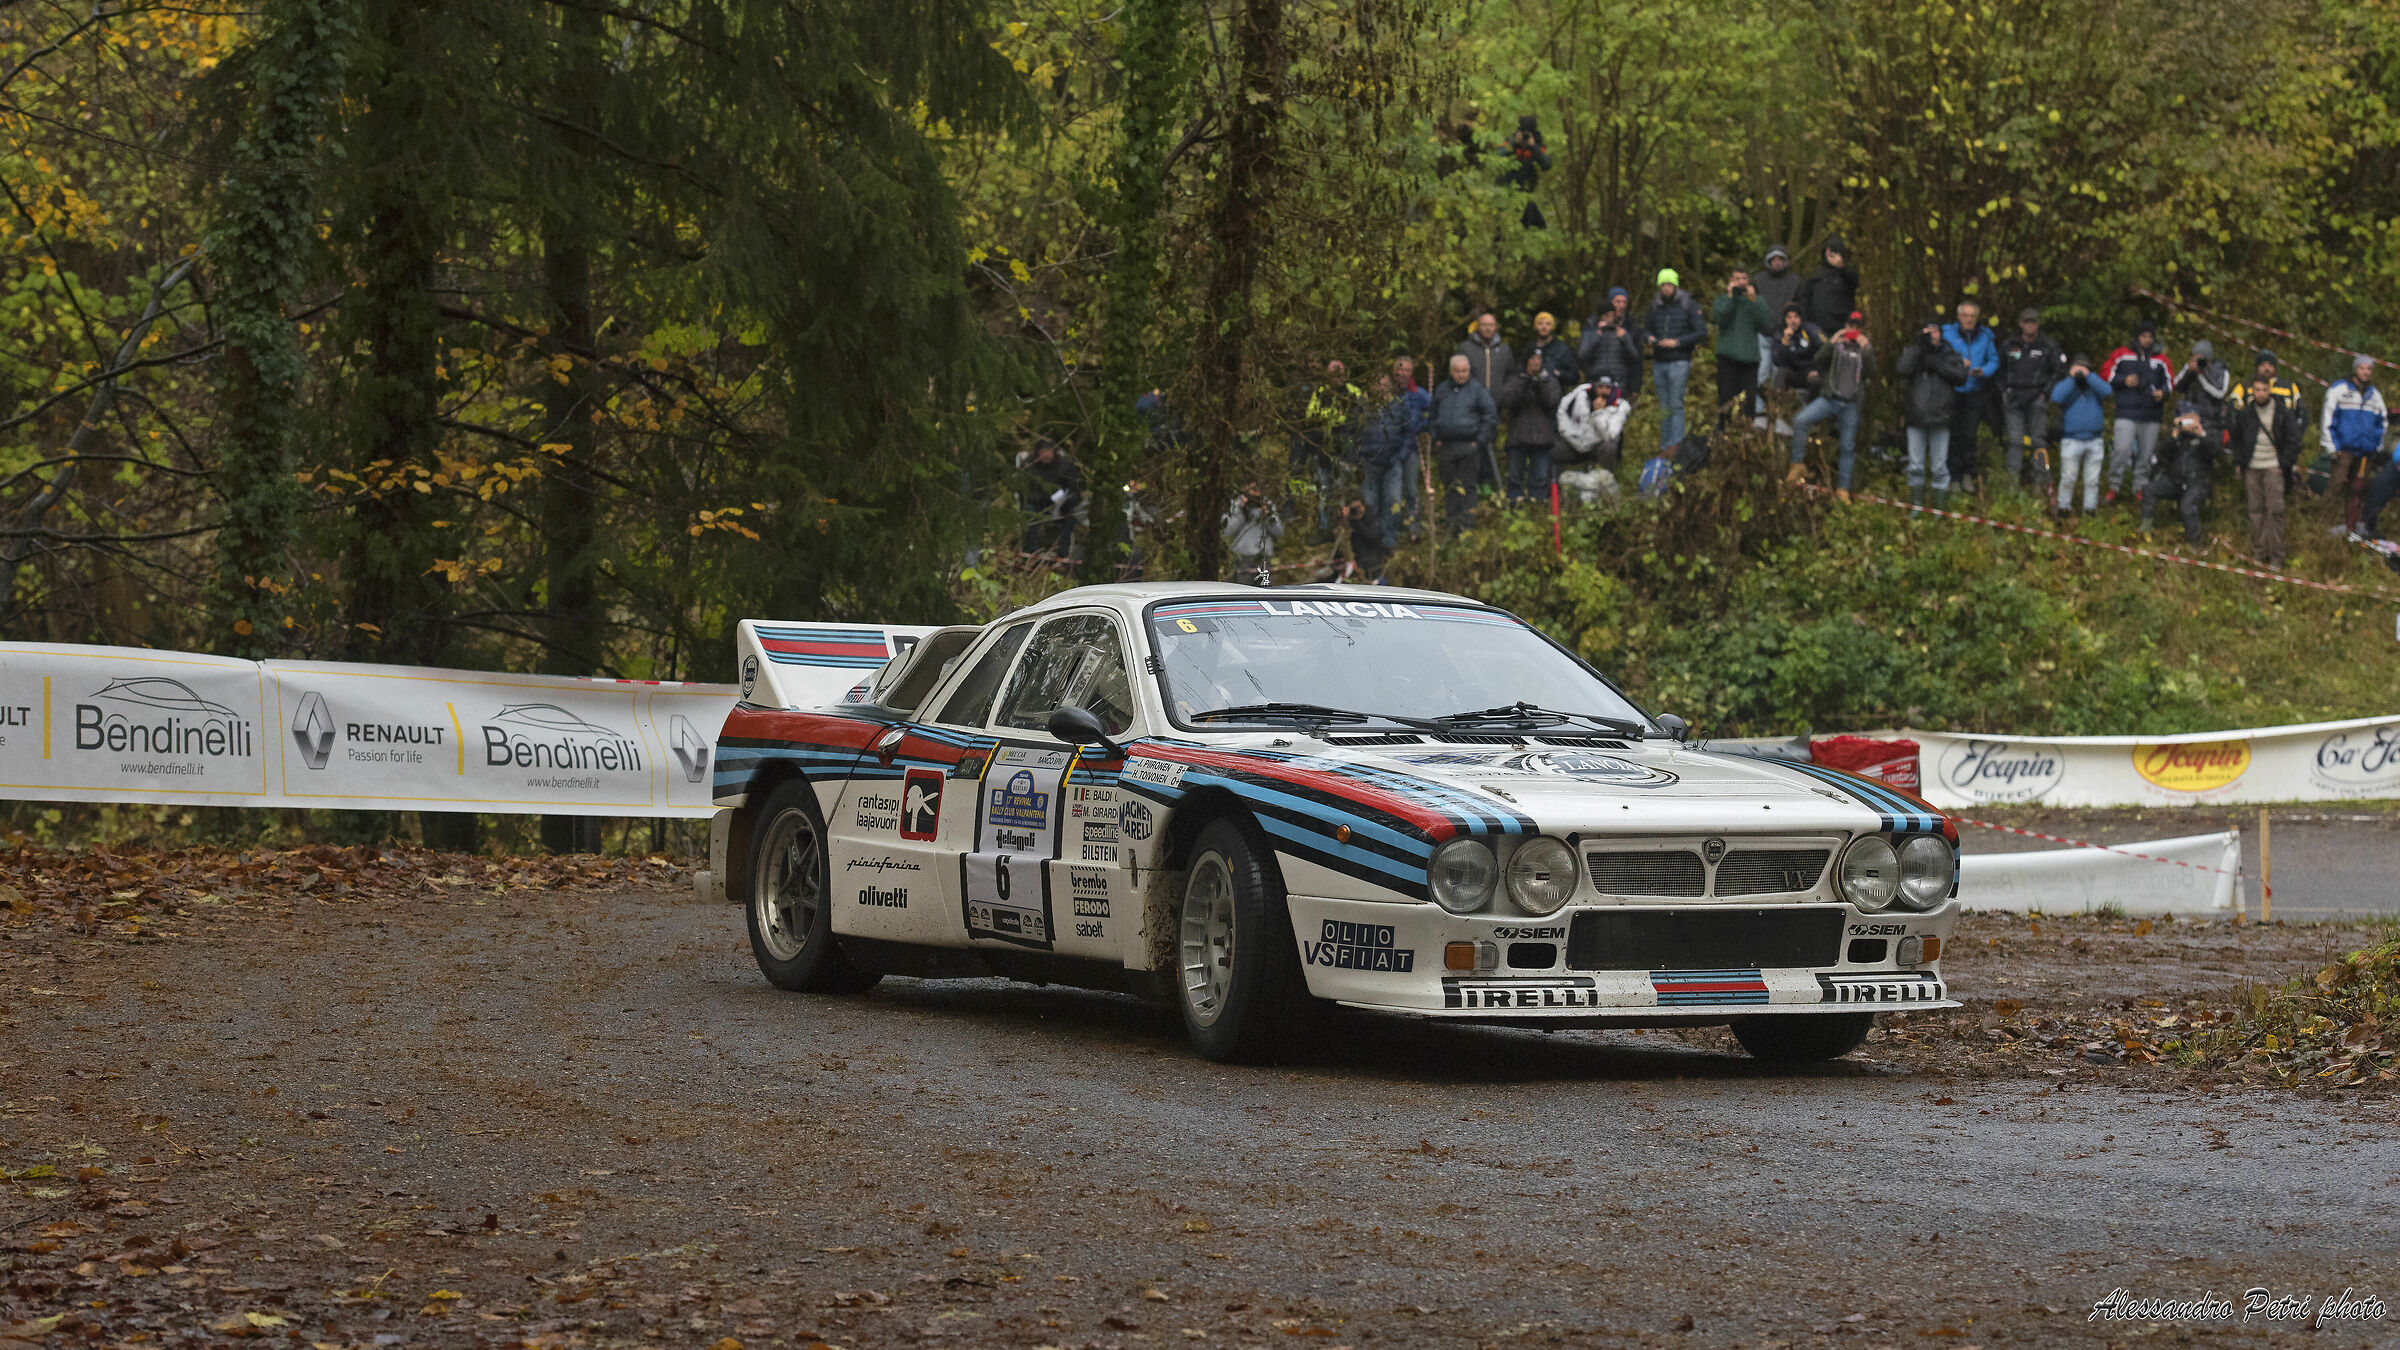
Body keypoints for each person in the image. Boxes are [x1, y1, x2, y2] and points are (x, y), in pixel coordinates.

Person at [1790, 311, 1872, 498]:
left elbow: (1871, 372)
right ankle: (1797, 465)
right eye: (1850, 325)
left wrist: (1866, 349)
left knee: (1848, 446)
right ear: (1845, 325)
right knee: (1800, 420)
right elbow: (1818, 359)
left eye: (1857, 326)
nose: (1853, 329)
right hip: (1829, 399)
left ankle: (1843, 489)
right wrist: (1833, 342)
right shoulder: (1836, 345)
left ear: (1862, 328)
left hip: (1850, 404)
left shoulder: (1865, 349)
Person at [1896, 317, 1970, 508]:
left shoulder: (1949, 353)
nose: (1931, 334)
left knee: (1939, 467)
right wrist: (1920, 349)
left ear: (1940, 333)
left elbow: (1961, 376)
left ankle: (1939, 508)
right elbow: (1902, 369)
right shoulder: (1914, 351)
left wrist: (1936, 362)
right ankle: (1917, 505)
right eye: (1927, 331)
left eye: (1934, 330)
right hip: (1916, 416)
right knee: (1915, 466)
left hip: (1941, 417)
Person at [2232, 376, 2303, 568]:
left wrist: (2285, 463)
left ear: (2269, 390)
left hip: (2273, 467)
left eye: (2264, 390)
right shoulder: (2246, 413)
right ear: (2252, 391)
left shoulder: (2282, 412)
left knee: (2275, 511)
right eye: (2257, 390)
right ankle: (2259, 552)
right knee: (2256, 511)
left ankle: (2277, 556)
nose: (2260, 393)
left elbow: (2294, 438)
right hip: (2252, 467)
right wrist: (2239, 462)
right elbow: (2236, 438)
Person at [2101, 322, 2172, 506]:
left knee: (2146, 454)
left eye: (2150, 337)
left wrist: (2162, 393)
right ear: (2137, 337)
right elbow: (2105, 373)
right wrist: (2123, 380)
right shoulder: (2122, 354)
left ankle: (2140, 487)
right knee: (2121, 449)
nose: (2147, 340)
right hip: (2126, 411)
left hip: (2151, 413)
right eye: (2144, 336)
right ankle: (2113, 486)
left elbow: (2170, 383)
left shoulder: (2161, 359)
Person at [1998, 307, 2065, 495]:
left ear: (2038, 323)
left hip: (2037, 397)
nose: (2030, 325)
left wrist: (2045, 392)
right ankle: (2012, 484)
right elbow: (1999, 369)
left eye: (2033, 321)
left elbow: (2059, 369)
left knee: (2038, 440)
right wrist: (2004, 390)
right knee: (2015, 440)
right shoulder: (2009, 344)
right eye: (2027, 321)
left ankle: (2040, 481)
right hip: (2013, 398)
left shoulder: (2047, 345)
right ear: (2021, 323)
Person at [2319, 356, 2388, 535]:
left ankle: (2352, 526)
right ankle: (2322, 524)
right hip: (2344, 449)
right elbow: (2327, 417)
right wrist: (2331, 446)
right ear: (2355, 369)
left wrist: (2377, 446)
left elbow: (2383, 422)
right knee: (2336, 484)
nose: (2365, 372)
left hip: (2366, 451)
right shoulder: (2340, 389)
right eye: (2362, 368)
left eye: (2369, 369)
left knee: (2359, 488)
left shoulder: (2375, 395)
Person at [1429, 354, 1498, 532]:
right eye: (1457, 371)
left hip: (1470, 445)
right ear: (1451, 371)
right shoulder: (1442, 390)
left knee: (1468, 486)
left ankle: (1468, 527)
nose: (1461, 374)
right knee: (1450, 486)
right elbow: (1432, 416)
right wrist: (1435, 437)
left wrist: (1479, 441)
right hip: (1446, 446)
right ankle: (1452, 526)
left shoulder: (1478, 390)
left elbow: (1490, 416)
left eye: (1464, 371)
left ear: (1469, 371)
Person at [1642, 269, 1706, 456]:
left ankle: (1676, 446)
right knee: (1664, 406)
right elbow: (1645, 329)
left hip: (1679, 360)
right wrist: (1651, 339)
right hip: (1659, 360)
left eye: (1669, 285)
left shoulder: (1688, 304)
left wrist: (1677, 342)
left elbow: (1701, 331)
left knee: (1676, 404)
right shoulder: (1654, 306)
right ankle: (1664, 446)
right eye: (1663, 285)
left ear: (1675, 286)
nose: (1667, 288)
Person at [1351, 374, 1413, 558]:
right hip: (1369, 463)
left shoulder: (1399, 407)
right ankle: (1370, 543)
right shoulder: (1363, 407)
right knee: (1369, 504)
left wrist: (1399, 457)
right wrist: (1359, 455)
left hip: (1392, 462)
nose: (1380, 388)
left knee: (1392, 502)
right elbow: (1354, 432)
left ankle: (1388, 541)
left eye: (1383, 384)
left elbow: (1409, 435)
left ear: (1390, 386)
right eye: (1376, 384)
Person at [1941, 301, 2000, 493]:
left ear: (1977, 318)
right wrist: (1957, 365)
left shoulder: (1985, 336)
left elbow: (1994, 359)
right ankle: (1953, 476)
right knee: (1953, 435)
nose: (1968, 319)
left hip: (1975, 391)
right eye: (1965, 315)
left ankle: (1967, 473)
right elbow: (1941, 358)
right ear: (1959, 317)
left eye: (1972, 316)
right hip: (1953, 391)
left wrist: (1984, 371)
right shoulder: (1947, 334)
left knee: (1969, 435)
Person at [2139, 410, 2215, 547]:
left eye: (2191, 420)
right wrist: (2174, 436)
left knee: (2187, 507)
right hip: (2174, 481)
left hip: (2196, 482)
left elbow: (2212, 452)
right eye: (2185, 420)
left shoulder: (2204, 436)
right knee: (2148, 489)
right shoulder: (2179, 438)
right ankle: (2145, 528)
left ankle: (2195, 543)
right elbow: (2163, 454)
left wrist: (2201, 434)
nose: (2188, 424)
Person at [2050, 355, 2111, 517]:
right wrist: (2072, 378)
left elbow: (2107, 391)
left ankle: (2090, 509)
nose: (2080, 372)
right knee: (2068, 477)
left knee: (2092, 480)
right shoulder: (2068, 386)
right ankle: (2064, 507)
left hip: (2095, 440)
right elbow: (2056, 397)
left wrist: (2089, 376)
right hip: (2071, 439)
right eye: (2078, 368)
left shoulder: (2094, 386)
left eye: (2084, 368)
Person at [1554, 375, 1630, 503]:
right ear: (1594, 386)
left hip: (1597, 446)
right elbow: (1562, 411)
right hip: (1575, 443)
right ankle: (1554, 492)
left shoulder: (1620, 405)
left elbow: (1611, 435)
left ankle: (1606, 487)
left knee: (1609, 447)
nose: (1603, 391)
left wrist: (1597, 413)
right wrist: (1566, 432)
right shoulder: (1580, 394)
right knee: (1553, 450)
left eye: (1607, 388)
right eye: (1600, 387)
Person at [1499, 351, 1563, 502]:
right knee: (1515, 475)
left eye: (1539, 359)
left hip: (1542, 436)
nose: (1535, 362)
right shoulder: (1515, 379)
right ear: (1526, 361)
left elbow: (1552, 402)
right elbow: (1508, 401)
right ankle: (1514, 502)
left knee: (1540, 475)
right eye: (1532, 358)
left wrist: (1539, 384)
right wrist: (1525, 382)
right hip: (1518, 434)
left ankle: (1538, 503)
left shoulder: (1550, 381)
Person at [1711, 270, 1771, 428]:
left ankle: (1746, 436)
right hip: (1727, 359)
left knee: (1748, 402)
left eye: (1744, 278)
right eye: (1737, 279)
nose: (1741, 282)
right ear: (1730, 280)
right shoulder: (1724, 299)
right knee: (1725, 399)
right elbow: (1719, 318)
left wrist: (1753, 301)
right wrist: (1731, 296)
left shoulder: (1757, 301)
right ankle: (1723, 436)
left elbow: (1764, 322)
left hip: (1749, 360)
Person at [1753, 245, 1803, 399]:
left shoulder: (1794, 281)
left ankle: (1775, 412)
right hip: (1763, 334)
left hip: (1784, 336)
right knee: (1760, 374)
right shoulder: (1758, 279)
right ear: (1768, 261)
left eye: (1780, 259)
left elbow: (1799, 307)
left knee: (1779, 377)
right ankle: (1758, 411)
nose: (1777, 263)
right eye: (1773, 260)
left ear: (1785, 261)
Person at [1019, 436, 1082, 557]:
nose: (1046, 455)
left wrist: (1066, 502)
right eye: (1042, 452)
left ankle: (1062, 553)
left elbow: (1073, 490)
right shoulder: (1029, 464)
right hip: (1036, 503)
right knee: (1029, 513)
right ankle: (1033, 551)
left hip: (1060, 505)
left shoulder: (1065, 465)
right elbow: (1024, 490)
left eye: (1048, 451)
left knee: (1069, 517)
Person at [1577, 290, 1643, 395]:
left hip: (1619, 382)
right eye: (1606, 316)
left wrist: (1624, 338)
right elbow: (1582, 355)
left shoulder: (1622, 332)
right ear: (1600, 317)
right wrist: (1597, 335)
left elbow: (1634, 357)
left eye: (1612, 316)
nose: (1609, 319)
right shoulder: (1590, 332)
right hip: (1596, 381)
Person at [1391, 355, 1431, 529]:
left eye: (1406, 369)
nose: (1402, 373)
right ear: (1394, 371)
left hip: (1411, 448)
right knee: (1393, 492)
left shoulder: (1419, 394)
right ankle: (1395, 526)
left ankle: (1414, 525)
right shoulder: (1387, 392)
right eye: (1399, 369)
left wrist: (1421, 426)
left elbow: (1432, 413)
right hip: (1390, 450)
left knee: (1412, 489)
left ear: (1411, 372)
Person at [1796, 236, 1860, 337]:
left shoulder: (1847, 274)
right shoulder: (1816, 274)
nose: (1830, 254)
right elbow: (1805, 299)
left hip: (1840, 328)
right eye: (1827, 251)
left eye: (1833, 251)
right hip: (1816, 328)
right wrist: (1805, 323)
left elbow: (1854, 282)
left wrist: (1840, 266)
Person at [2173, 339, 2235, 444]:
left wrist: (2201, 374)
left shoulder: (2220, 370)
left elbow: (2219, 393)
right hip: (2189, 416)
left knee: (2203, 449)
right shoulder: (2191, 367)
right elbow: (2177, 386)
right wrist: (2189, 370)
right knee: (2183, 448)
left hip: (2210, 421)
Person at [1222, 483, 1283, 583]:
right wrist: (1241, 511)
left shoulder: (1267, 505)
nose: (1255, 493)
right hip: (1242, 557)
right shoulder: (1235, 505)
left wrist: (1267, 514)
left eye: (1257, 489)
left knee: (1264, 590)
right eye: (1252, 489)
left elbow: (1279, 532)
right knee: (1242, 590)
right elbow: (1226, 531)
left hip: (1263, 556)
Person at [1457, 310, 1513, 393]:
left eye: (1491, 325)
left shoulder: (1504, 349)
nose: (1488, 328)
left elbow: (1511, 374)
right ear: (1478, 326)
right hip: (1471, 401)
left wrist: (1505, 392)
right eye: (1484, 325)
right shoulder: (1465, 348)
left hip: (1497, 401)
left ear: (1496, 327)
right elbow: (1456, 374)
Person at [1525, 311, 1578, 387]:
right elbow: (1519, 369)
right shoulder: (1529, 347)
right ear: (1535, 326)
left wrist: (1556, 373)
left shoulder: (1562, 349)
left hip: (1552, 392)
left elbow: (1574, 377)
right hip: (1530, 389)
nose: (1544, 327)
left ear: (1552, 327)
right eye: (1540, 323)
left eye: (1548, 324)